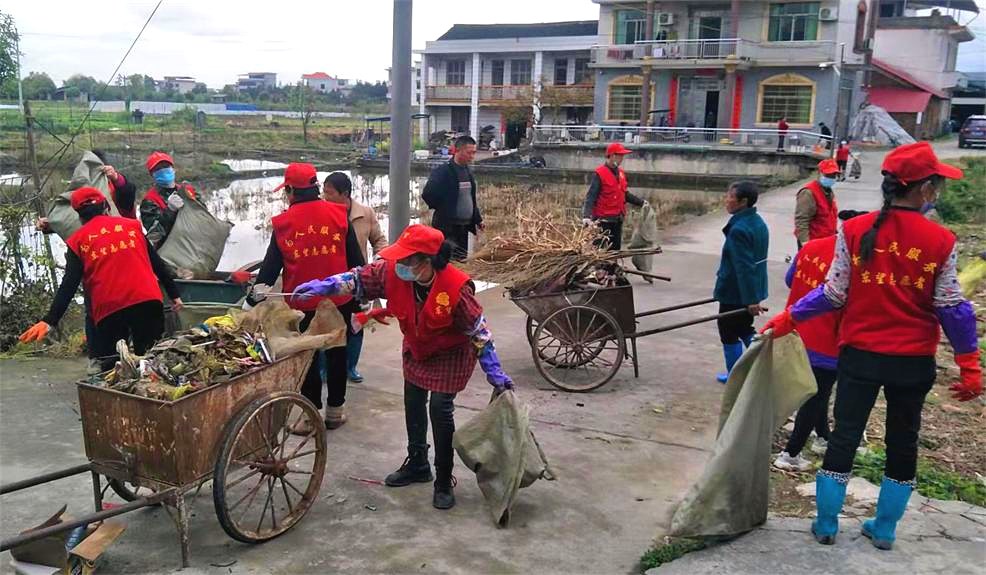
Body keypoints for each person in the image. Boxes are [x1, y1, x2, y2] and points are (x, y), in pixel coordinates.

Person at [761, 142, 981, 550]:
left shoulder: (854, 230)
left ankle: (826, 524)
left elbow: (833, 294)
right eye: (936, 185)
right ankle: (884, 529)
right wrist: (969, 363)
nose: (937, 193)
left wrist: (789, 317)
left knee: (844, 435)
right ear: (924, 191)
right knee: (904, 440)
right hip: (912, 362)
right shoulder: (941, 240)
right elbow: (952, 306)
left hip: (860, 356)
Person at [291, 224, 514, 510]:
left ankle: (444, 480)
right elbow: (358, 279)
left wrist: (494, 372)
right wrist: (325, 285)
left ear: (429, 262)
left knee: (440, 410)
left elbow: (478, 332)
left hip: (451, 353)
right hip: (418, 348)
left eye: (408, 260)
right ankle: (418, 463)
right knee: (413, 401)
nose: (401, 265)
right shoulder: (392, 271)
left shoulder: (456, 289)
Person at [246, 163, 365, 430]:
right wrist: (361, 293)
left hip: (302, 303)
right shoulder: (338, 214)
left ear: (290, 190)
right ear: (314, 187)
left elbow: (269, 270)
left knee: (306, 358)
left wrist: (250, 301)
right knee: (337, 353)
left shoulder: (284, 223)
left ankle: (309, 416)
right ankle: (336, 411)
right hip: (339, 298)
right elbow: (355, 260)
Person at [20, 187, 183, 369]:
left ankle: (114, 393)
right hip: (147, 301)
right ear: (106, 206)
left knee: (112, 366)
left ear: (79, 215)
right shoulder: (131, 226)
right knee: (150, 361)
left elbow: (69, 284)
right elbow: (157, 264)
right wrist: (174, 294)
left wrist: (50, 320)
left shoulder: (78, 240)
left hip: (110, 310)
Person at [773, 209, 866, 472]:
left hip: (797, 331)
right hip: (827, 342)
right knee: (816, 395)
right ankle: (790, 454)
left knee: (818, 393)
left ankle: (823, 437)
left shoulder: (811, 247)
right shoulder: (856, 260)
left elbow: (792, 280)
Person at [35, 151, 139, 374]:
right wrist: (50, 225)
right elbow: (73, 222)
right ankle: (98, 357)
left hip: (125, 256)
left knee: (129, 308)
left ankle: (128, 354)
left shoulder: (113, 188)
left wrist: (116, 178)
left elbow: (129, 194)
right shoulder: (80, 195)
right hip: (96, 262)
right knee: (94, 310)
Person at [323, 171, 388, 383]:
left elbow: (378, 239)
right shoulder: (322, 214)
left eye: (329, 192)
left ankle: (351, 367)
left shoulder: (365, 214)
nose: (325, 196)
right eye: (324, 191)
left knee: (356, 324)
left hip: (358, 280)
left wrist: (380, 259)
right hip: (331, 280)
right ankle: (324, 368)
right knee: (327, 324)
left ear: (345, 194)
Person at [713, 180, 769, 384]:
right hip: (750, 289)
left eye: (730, 196)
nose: (726, 200)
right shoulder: (758, 222)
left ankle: (736, 377)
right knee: (745, 328)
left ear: (743, 202)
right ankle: (762, 367)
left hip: (735, 291)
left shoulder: (739, 230)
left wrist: (751, 299)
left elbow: (744, 267)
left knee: (728, 331)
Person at [422, 135, 483, 261]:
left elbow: (470, 198)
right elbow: (427, 194)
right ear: (457, 150)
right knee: (446, 262)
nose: (472, 156)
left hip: (464, 228)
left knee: (461, 261)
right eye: (469, 153)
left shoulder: (467, 172)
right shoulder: (443, 172)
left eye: (474, 153)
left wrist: (477, 219)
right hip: (447, 228)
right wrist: (443, 208)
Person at [581, 142, 648, 251]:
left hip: (617, 219)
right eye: (620, 156)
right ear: (612, 156)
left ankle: (612, 267)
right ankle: (602, 268)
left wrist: (641, 202)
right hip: (603, 221)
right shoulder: (600, 173)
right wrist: (586, 216)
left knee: (615, 250)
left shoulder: (620, 173)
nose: (622, 158)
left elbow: (624, 194)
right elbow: (591, 197)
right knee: (602, 251)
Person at [140, 151, 198, 248]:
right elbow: (154, 236)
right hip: (170, 252)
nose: (163, 170)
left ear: (173, 169)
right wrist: (170, 211)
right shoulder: (150, 201)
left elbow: (203, 215)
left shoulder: (188, 190)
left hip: (194, 245)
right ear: (152, 175)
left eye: (166, 166)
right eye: (158, 169)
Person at [795, 159, 841, 249]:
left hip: (827, 240)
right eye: (828, 175)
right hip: (813, 241)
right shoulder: (808, 193)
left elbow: (830, 216)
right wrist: (805, 243)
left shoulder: (828, 191)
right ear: (819, 173)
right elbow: (801, 220)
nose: (831, 178)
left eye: (834, 175)